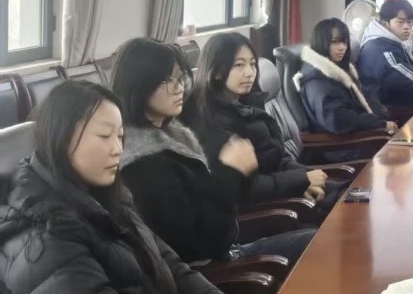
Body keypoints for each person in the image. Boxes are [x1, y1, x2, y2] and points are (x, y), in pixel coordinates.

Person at [0, 80, 254, 294]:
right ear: (62, 137)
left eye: (120, 136)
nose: (118, 149)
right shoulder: (41, 232)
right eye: (104, 136)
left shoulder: (105, 197)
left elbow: (168, 264)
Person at [113, 38, 315, 266]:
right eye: (167, 80)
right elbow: (197, 243)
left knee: (318, 239)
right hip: (212, 269)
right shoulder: (143, 164)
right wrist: (230, 173)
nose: (179, 88)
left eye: (179, 78)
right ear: (139, 85)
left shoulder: (175, 135)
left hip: (229, 248)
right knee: (318, 246)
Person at [184, 33, 339, 217]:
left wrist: (305, 180)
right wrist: (301, 179)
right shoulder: (208, 122)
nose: (249, 72)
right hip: (262, 214)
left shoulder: (246, 104)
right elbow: (245, 189)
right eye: (239, 65)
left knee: (346, 193)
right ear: (216, 71)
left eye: (252, 64)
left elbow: (275, 158)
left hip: (281, 191)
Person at [299, 18, 399, 136]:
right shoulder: (317, 80)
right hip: (343, 143)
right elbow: (337, 121)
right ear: (321, 42)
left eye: (345, 42)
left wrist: (382, 114)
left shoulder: (340, 71)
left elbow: (365, 98)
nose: (342, 47)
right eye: (335, 42)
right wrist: (380, 124)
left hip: (363, 133)